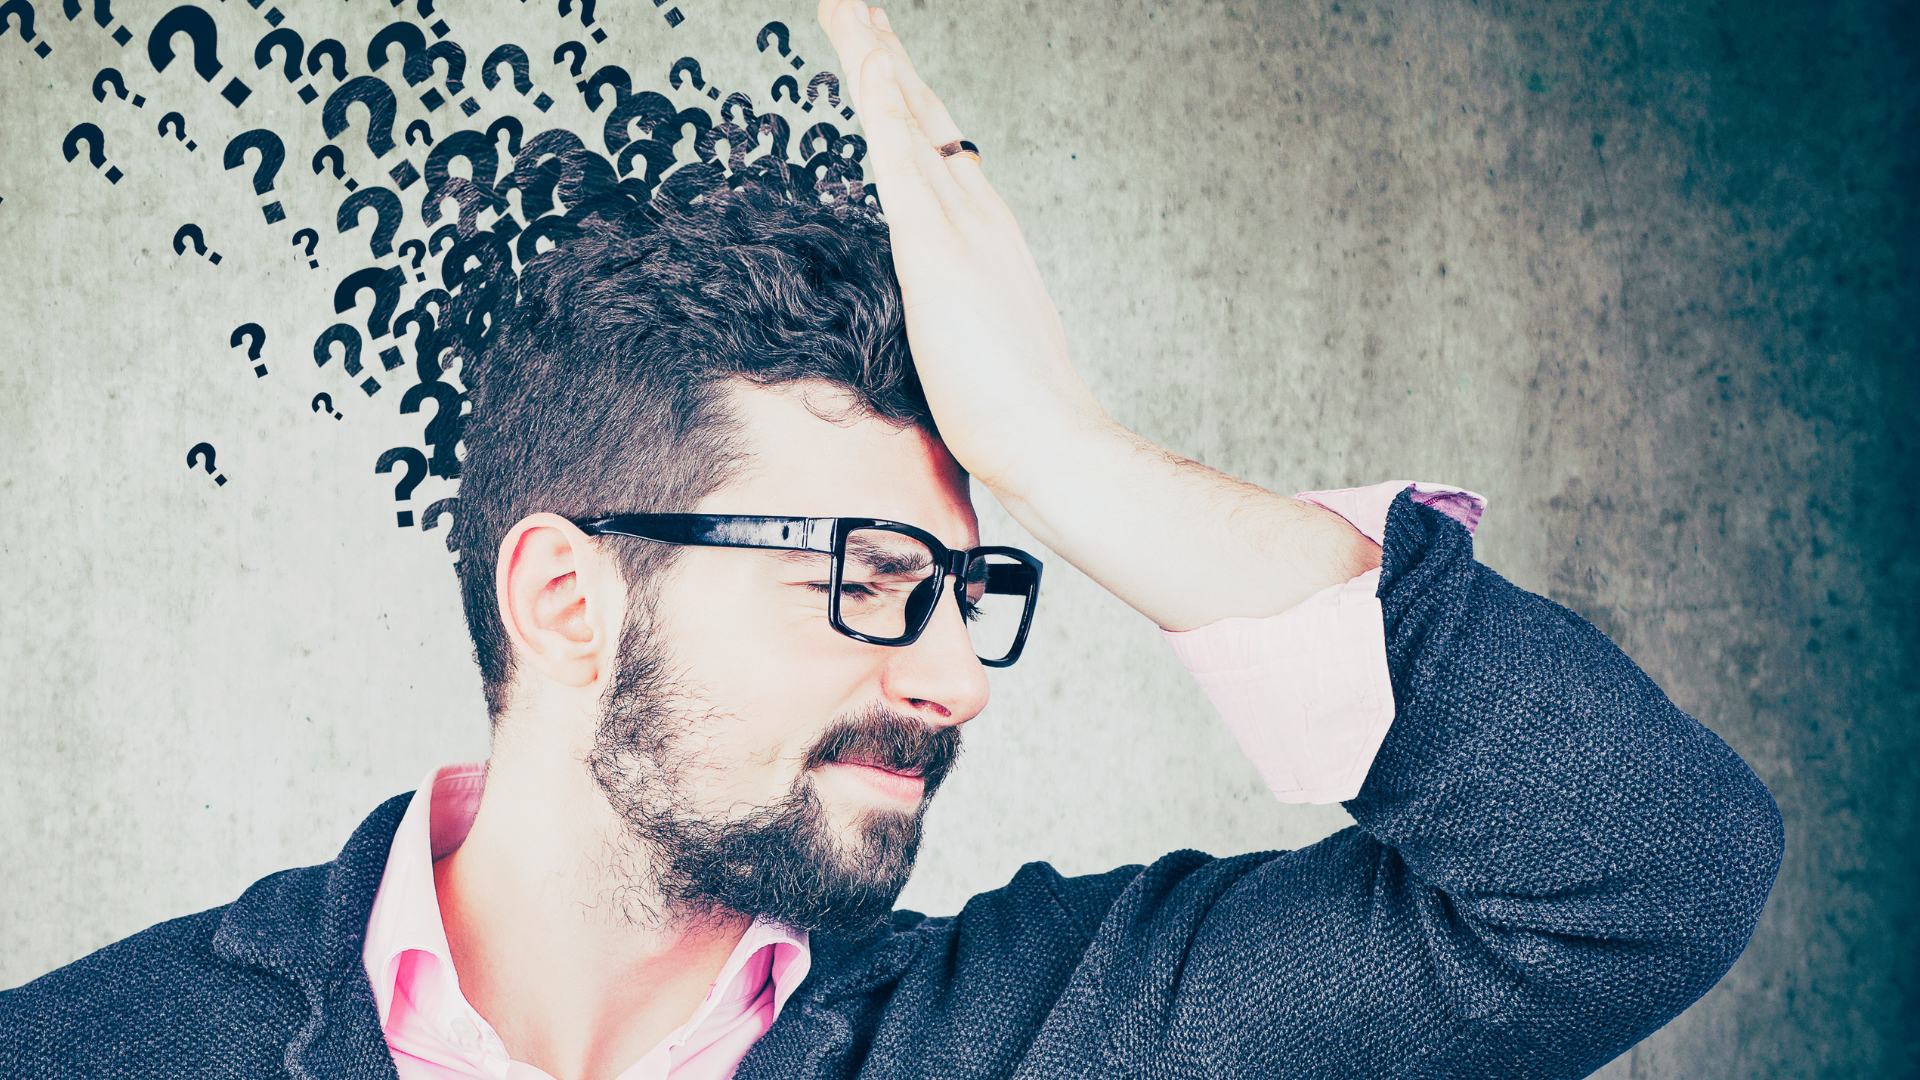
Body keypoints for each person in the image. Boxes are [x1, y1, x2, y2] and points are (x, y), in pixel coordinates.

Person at [0, 2, 1783, 1078]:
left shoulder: (1062, 1033)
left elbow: (1647, 874)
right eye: (866, 580)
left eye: (967, 588)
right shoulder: (93, 1050)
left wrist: (1063, 454)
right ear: (566, 598)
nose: (957, 681)